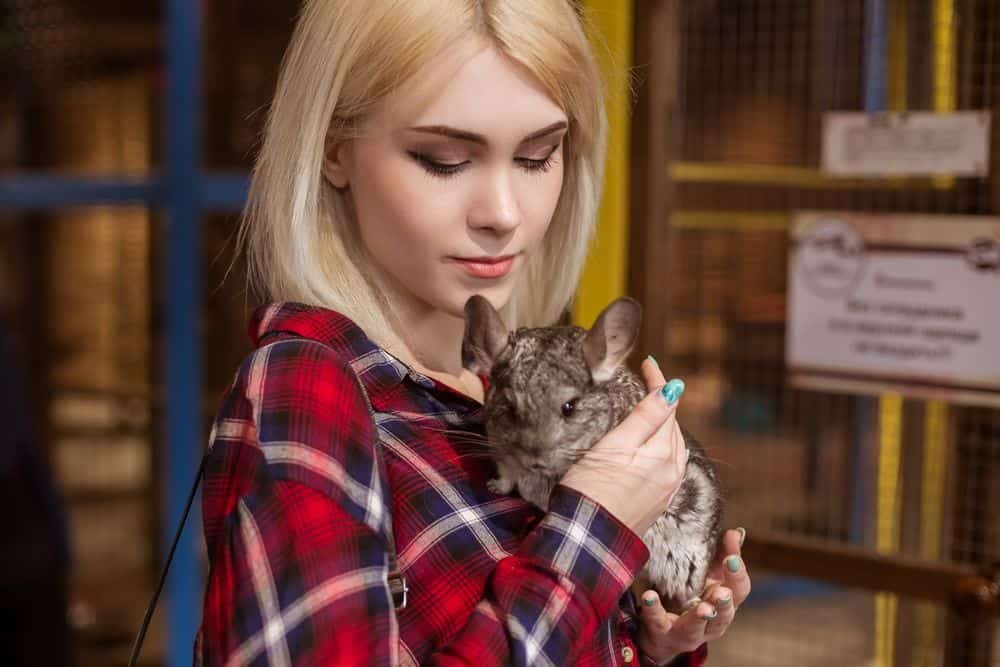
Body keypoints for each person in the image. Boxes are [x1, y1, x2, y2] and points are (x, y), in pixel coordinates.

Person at [196, 1, 751, 664]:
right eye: (444, 159)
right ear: (334, 151)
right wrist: (594, 528)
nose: (504, 214)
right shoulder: (309, 389)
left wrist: (650, 637)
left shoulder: (501, 379)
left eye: (538, 155)